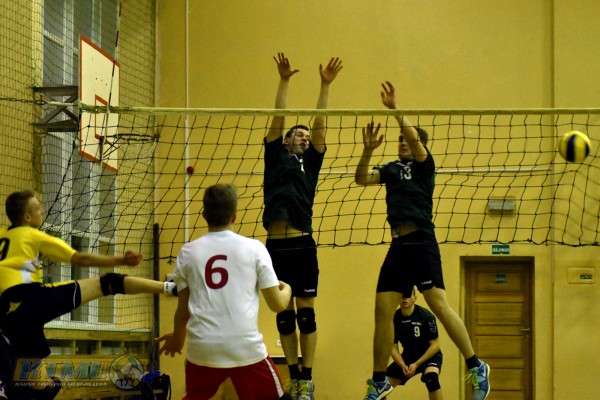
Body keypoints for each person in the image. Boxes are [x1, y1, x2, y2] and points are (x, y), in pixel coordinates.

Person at [355, 81, 491, 400]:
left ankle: (476, 365)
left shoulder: (423, 165)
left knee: (438, 305)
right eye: (399, 139)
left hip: (421, 241)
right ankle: (379, 380)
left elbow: (414, 140)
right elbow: (361, 178)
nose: (402, 142)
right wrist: (368, 150)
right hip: (398, 246)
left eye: (407, 139)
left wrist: (395, 110)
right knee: (382, 310)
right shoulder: (391, 169)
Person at [0, 189, 177, 399]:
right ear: (27, 217)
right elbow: (81, 259)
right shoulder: (33, 235)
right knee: (107, 283)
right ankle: (169, 287)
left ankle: (44, 389)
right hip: (31, 300)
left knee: (31, 386)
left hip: (8, 315)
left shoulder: (3, 235)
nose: (43, 211)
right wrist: (120, 260)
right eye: (38, 208)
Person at [156, 183, 293, 400]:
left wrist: (178, 338)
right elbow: (277, 305)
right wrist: (287, 289)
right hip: (244, 347)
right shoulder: (255, 248)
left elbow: (183, 309)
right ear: (234, 217)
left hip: (203, 347)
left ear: (203, 214)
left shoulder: (188, 252)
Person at [263, 52, 342, 400]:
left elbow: (320, 124)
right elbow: (278, 118)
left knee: (306, 316)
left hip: (301, 244)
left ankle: (307, 378)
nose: (305, 137)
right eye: (299, 134)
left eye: (307, 136)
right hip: (275, 247)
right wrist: (284, 80)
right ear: (286, 140)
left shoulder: (310, 164)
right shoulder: (275, 155)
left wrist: (325, 85)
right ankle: (293, 375)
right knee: (284, 316)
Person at [384, 288, 443, 400]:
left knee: (431, 379)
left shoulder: (426, 316)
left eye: (407, 295)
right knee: (380, 387)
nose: (404, 298)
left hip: (429, 356)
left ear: (414, 298)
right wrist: (402, 365)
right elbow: (392, 347)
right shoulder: (393, 319)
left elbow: (435, 345)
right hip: (408, 356)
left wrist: (417, 364)